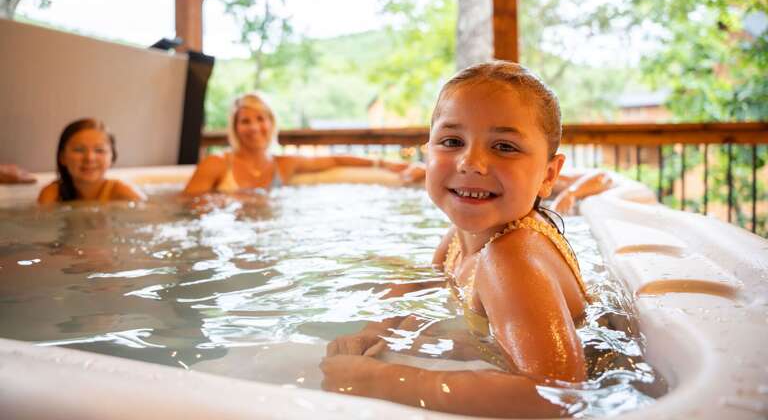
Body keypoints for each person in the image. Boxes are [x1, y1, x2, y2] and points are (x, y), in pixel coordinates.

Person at [321, 61, 589, 417]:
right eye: (452, 141)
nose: (471, 162)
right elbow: (423, 281)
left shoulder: (510, 258)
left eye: (504, 146)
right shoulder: (461, 237)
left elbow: (557, 396)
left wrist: (381, 381)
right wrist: (375, 331)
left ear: (548, 175)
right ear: (428, 151)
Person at [183, 92, 423, 195]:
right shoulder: (217, 164)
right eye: (245, 121)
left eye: (260, 119)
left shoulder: (284, 165)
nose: (254, 127)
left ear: (271, 123)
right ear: (235, 127)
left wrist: (385, 164)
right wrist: (223, 202)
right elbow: (186, 210)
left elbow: (335, 159)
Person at [38, 118, 145, 205]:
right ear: (62, 158)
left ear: (112, 157)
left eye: (99, 150)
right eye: (79, 150)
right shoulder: (53, 194)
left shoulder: (124, 194)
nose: (89, 158)